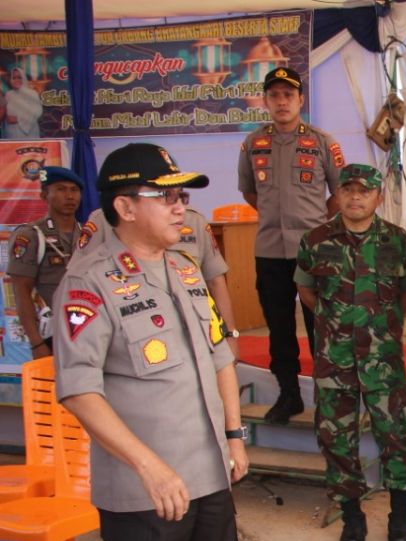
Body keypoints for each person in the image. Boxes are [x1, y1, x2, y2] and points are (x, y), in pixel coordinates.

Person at [53, 143, 284, 541]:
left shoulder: (183, 267)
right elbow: (78, 387)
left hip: (208, 465)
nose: (184, 206)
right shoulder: (89, 281)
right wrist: (147, 465)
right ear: (125, 206)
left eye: (184, 195)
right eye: (169, 196)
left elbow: (218, 356)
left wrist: (236, 436)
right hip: (144, 485)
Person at [295, 164, 406, 541]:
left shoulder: (397, 241)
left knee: (395, 438)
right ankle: (353, 521)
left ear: (378, 197)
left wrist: (383, 325)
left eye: (364, 191)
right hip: (334, 361)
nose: (355, 197)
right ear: (337, 195)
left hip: (382, 359)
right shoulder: (315, 240)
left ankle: (399, 520)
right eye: (348, 190)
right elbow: (307, 292)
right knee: (337, 440)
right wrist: (337, 326)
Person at [237, 66, 342, 422]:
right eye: (274, 95)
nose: (281, 102)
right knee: (279, 327)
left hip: (313, 251)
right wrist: (274, 215)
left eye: (288, 95)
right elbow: (251, 192)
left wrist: (314, 225)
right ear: (265, 101)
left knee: (320, 326)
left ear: (300, 100)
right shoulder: (253, 143)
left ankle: (327, 401)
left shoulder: (323, 141)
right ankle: (289, 395)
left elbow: (340, 193)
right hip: (269, 250)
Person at [75, 204, 241, 360]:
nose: (178, 207)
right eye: (163, 194)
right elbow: (80, 281)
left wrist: (230, 334)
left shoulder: (193, 220)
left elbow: (215, 281)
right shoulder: (104, 220)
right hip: (135, 347)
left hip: (199, 340)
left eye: (179, 195)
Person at [7, 166, 82, 358]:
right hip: (53, 334)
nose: (69, 196)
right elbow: (21, 292)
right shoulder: (30, 236)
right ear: (44, 195)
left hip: (89, 330)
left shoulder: (90, 235)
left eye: (74, 190)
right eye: (61, 189)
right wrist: (37, 344)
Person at [2, 67, 44, 139]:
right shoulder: (8, 95)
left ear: (24, 78)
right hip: (11, 133)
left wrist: (18, 119)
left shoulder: (32, 93)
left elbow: (37, 111)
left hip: (29, 133)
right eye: (14, 78)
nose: (16, 80)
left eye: (19, 77)